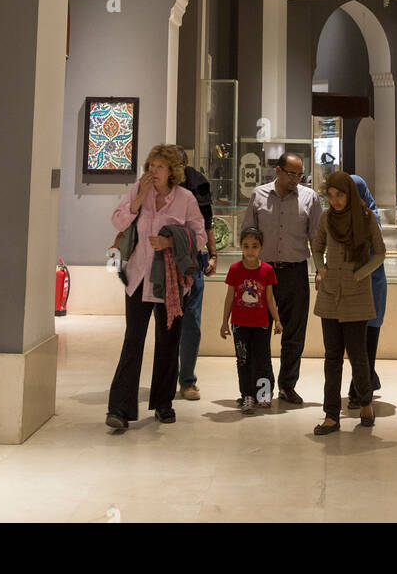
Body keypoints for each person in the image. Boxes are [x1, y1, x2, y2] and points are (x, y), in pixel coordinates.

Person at [106, 144, 206, 430]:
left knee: (167, 342)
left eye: (159, 167)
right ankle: (119, 409)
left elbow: (198, 236)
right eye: (151, 165)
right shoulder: (139, 190)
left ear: (172, 171)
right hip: (137, 279)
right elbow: (117, 220)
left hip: (171, 284)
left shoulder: (185, 199)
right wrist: (136, 202)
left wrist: (171, 242)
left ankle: (163, 403)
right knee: (133, 341)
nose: (153, 171)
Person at [241, 151, 322, 404]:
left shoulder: (310, 198)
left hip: (296, 273)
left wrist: (320, 270)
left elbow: (317, 240)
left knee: (294, 334)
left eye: (300, 174)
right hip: (263, 274)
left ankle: (288, 385)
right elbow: (247, 235)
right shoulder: (259, 195)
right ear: (278, 171)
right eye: (291, 174)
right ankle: (261, 390)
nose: (296, 179)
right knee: (259, 333)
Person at [311, 171, 386, 434]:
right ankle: (331, 415)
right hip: (331, 295)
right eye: (330, 196)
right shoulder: (326, 218)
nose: (335, 201)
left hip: (357, 294)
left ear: (350, 194)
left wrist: (361, 273)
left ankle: (365, 403)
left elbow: (380, 252)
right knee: (332, 358)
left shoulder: (366, 219)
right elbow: (317, 247)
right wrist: (321, 269)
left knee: (358, 356)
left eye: (340, 195)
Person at [220, 227, 282, 412]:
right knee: (243, 360)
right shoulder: (234, 270)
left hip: (261, 325)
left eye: (254, 246)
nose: (250, 250)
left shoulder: (267, 270)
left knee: (262, 360)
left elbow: (270, 299)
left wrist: (277, 320)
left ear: (261, 247)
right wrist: (225, 322)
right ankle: (247, 395)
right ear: (241, 247)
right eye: (246, 246)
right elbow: (229, 297)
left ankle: (263, 394)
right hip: (240, 325)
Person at [177, 147, 219, 401]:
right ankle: (166, 377)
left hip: (194, 260)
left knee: (191, 323)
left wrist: (213, 255)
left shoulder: (197, 185)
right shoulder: (159, 191)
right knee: (167, 323)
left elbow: (207, 221)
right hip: (166, 264)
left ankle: (187, 379)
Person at [347, 174, 387, 408]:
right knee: (354, 342)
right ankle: (367, 381)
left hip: (372, 286)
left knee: (367, 340)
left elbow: (376, 253)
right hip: (352, 287)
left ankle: (360, 391)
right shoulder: (341, 218)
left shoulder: (372, 218)